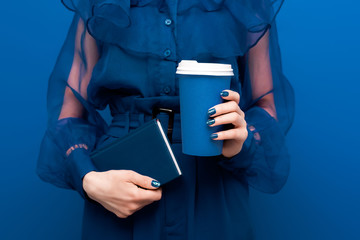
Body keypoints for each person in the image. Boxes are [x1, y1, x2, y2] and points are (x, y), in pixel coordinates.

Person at [37, 0, 294, 239]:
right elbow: (69, 114)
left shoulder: (245, 6)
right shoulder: (103, 4)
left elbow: (267, 107)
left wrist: (243, 138)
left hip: (214, 183)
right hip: (119, 186)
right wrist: (88, 178)